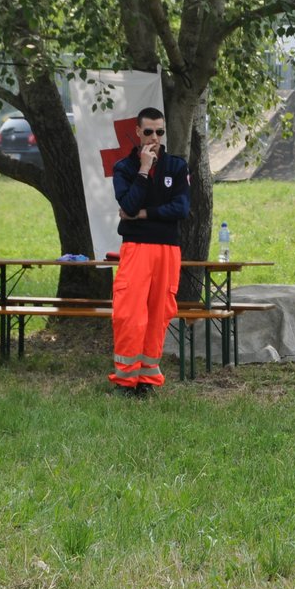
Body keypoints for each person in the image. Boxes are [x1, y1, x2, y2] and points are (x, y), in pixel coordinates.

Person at [109, 107, 190, 396]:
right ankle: (125, 381)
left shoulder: (177, 167)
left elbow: (181, 209)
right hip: (136, 249)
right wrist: (143, 170)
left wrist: (143, 214)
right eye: (148, 132)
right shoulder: (125, 168)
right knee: (129, 314)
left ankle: (147, 381)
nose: (154, 137)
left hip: (168, 250)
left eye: (160, 131)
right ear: (137, 132)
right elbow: (126, 205)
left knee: (159, 314)